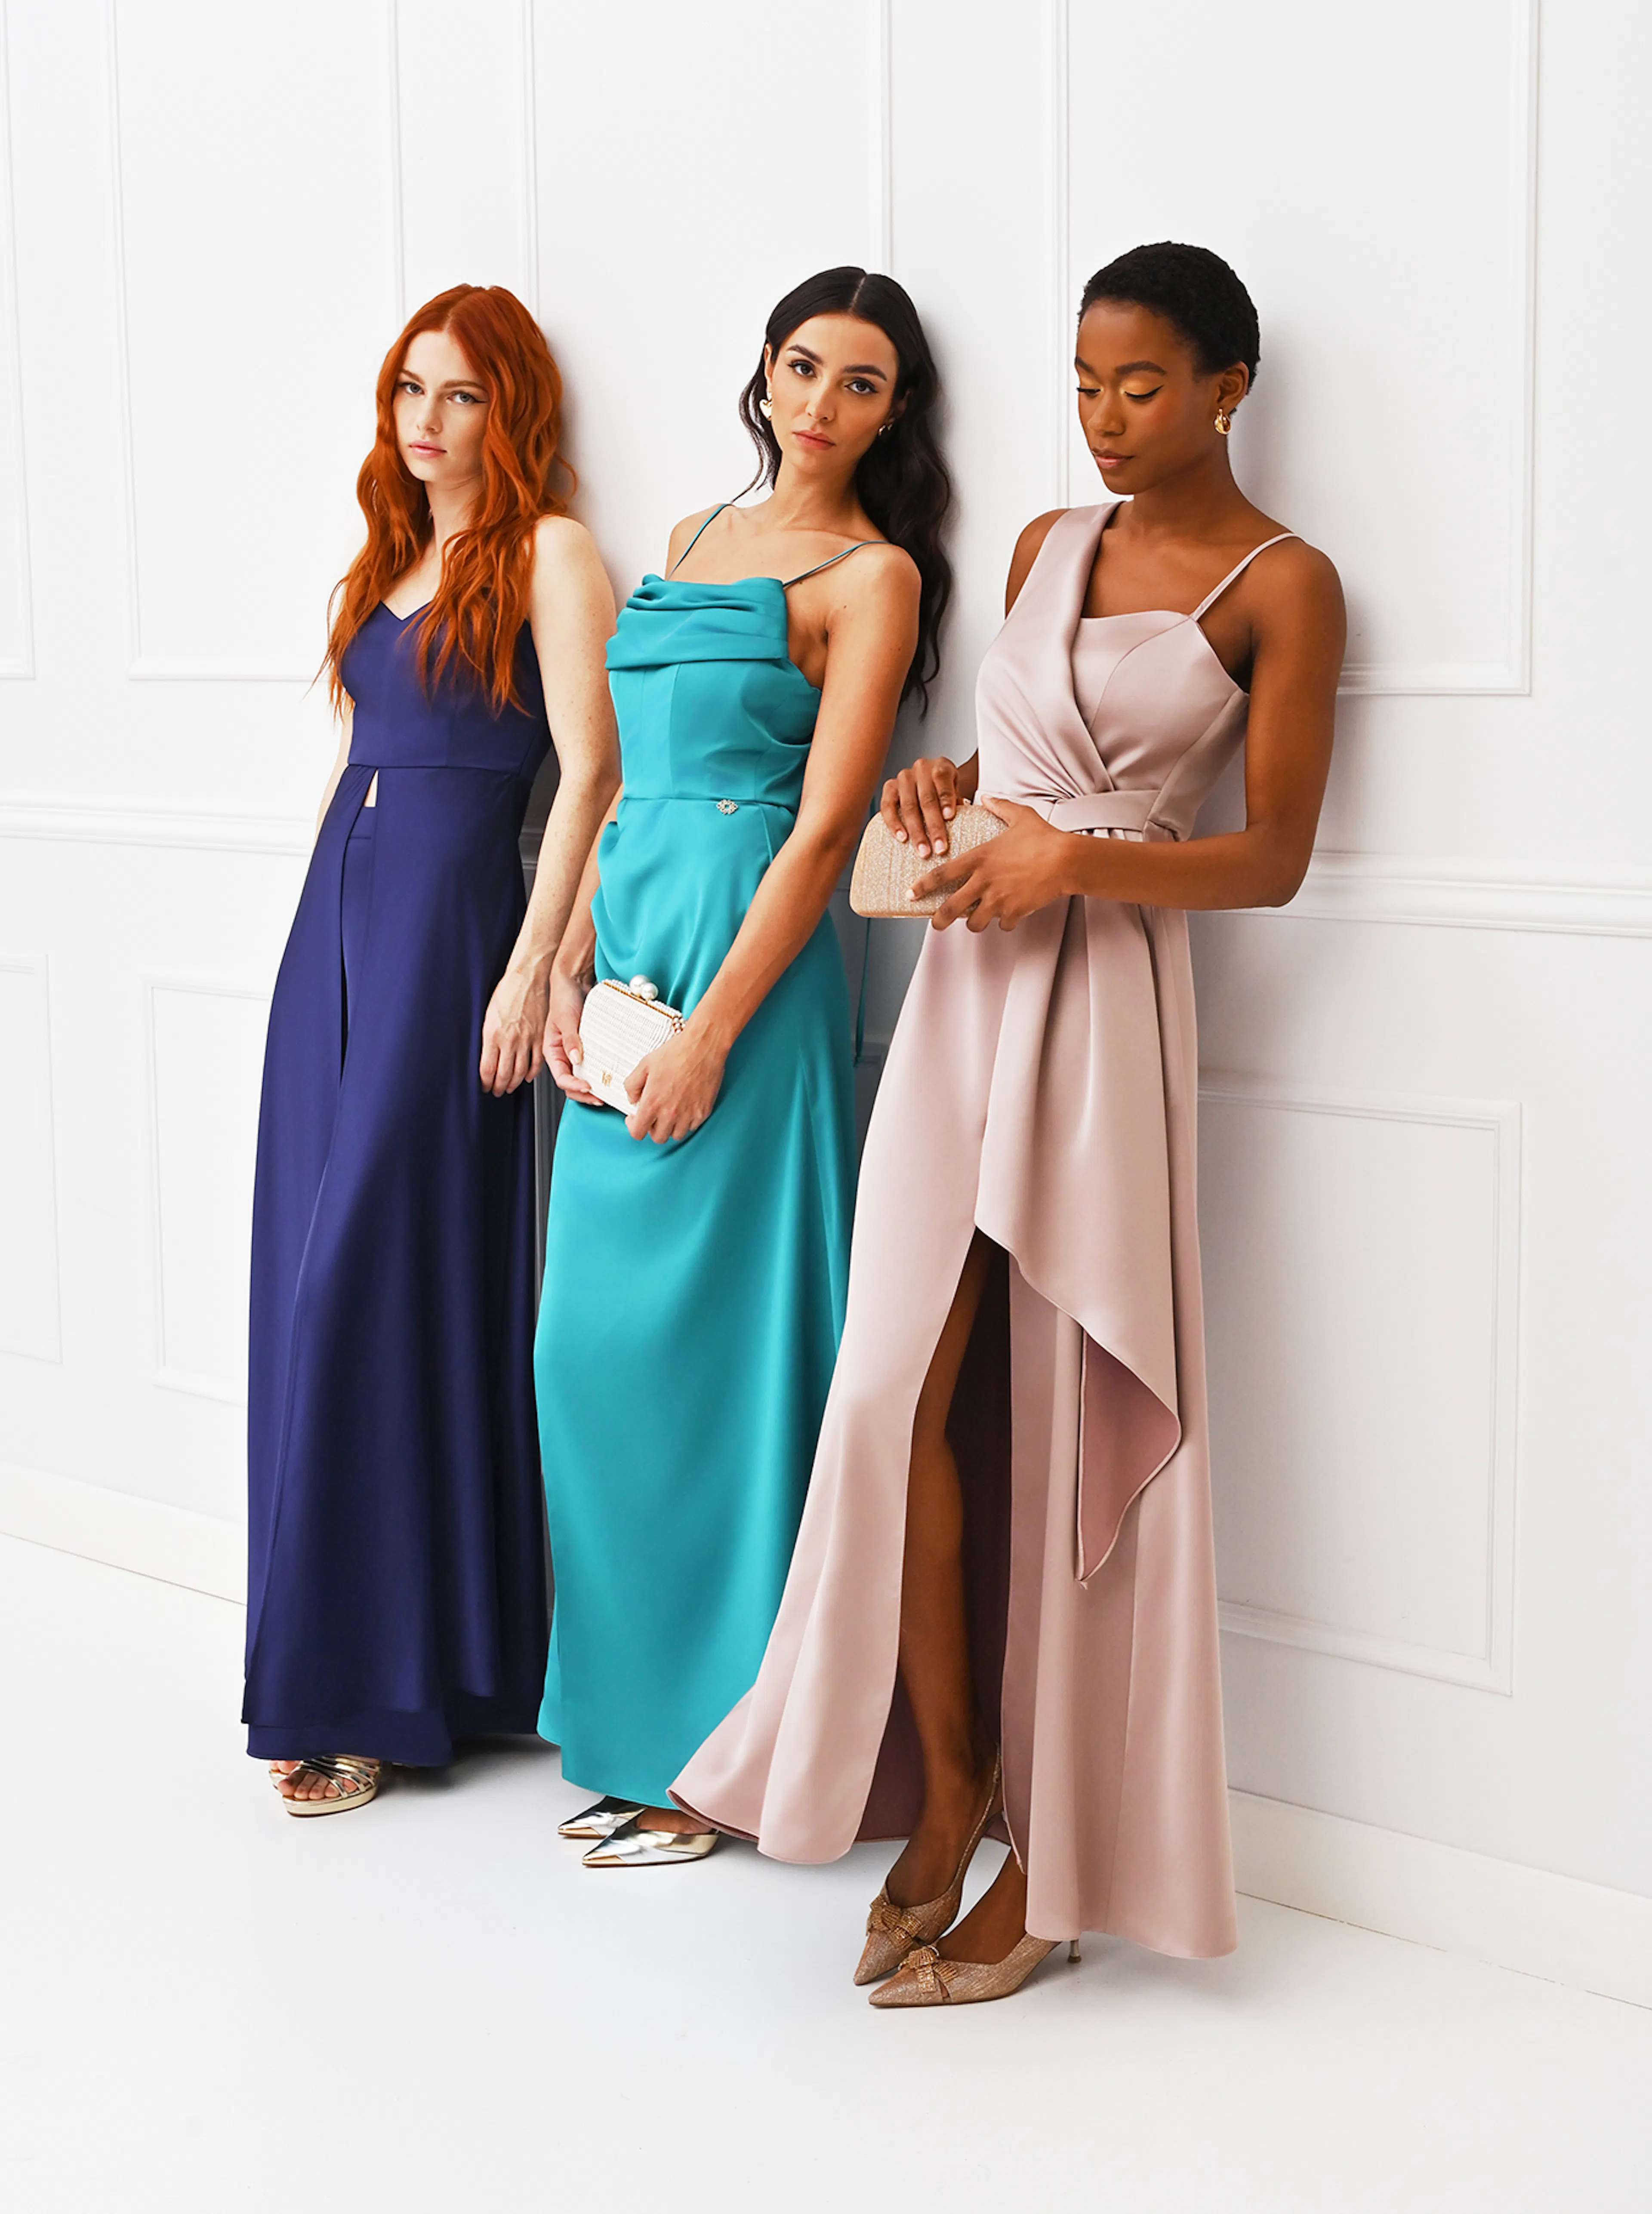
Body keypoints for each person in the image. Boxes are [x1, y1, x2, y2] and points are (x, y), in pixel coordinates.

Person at [676, 241, 1346, 2000]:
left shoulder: (1290, 583)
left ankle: (1054, 1862)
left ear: (1227, 386)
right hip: (971, 981)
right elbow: (1021, 768)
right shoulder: (1051, 544)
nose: (1108, 419)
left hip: (1110, 1004)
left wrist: (1083, 858)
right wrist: (951, 788)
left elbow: (1273, 858)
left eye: (1141, 384)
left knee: (1066, 1414)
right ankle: (952, 1776)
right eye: (1083, 385)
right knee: (899, 1390)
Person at [536, 266, 952, 1867]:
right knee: (587, 1357)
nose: (823, 403)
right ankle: (632, 1725)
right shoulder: (692, 544)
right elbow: (622, 777)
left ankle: (725, 1757)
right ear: (763, 377)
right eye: (802, 368)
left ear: (892, 410)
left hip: (748, 972)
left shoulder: (876, 574)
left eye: (861, 383)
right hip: (627, 940)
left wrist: (713, 1030)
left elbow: (832, 825)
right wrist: (571, 949)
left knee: (720, 1369)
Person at [245, 284, 620, 1812]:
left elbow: (592, 773)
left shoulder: (551, 554)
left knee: (376, 1276)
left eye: (462, 394)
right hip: (338, 916)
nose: (427, 419)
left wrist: (538, 965)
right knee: (308, 1271)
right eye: (412, 387)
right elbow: (363, 759)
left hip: (459, 928)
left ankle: (363, 1688)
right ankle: (407, 1664)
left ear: (510, 410)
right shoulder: (387, 558)